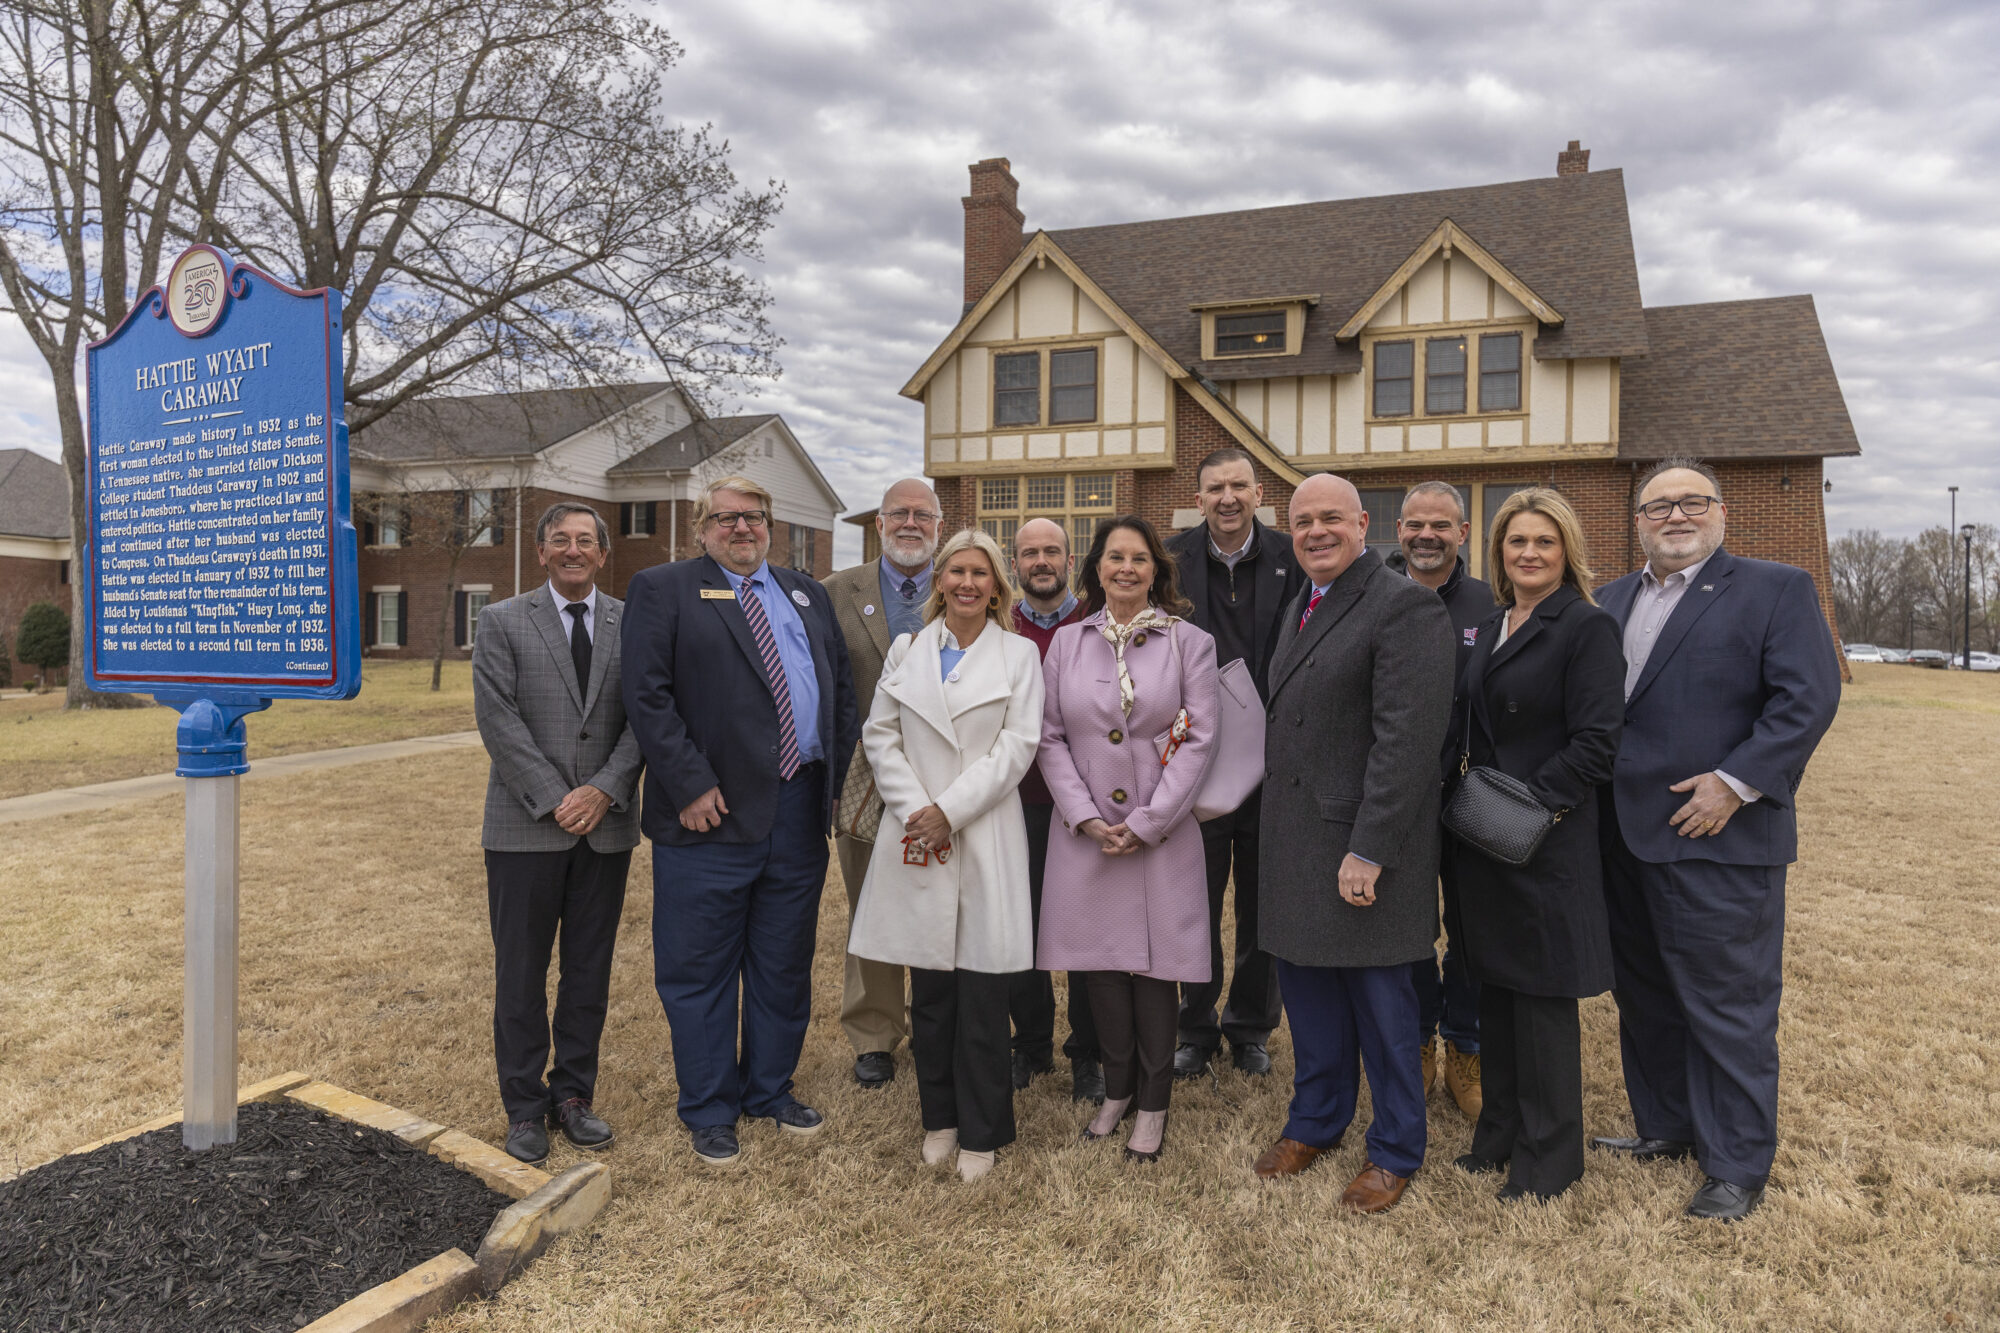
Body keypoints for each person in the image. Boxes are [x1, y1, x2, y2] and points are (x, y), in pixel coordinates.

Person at [1593, 457, 1841, 1221]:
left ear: (1722, 512)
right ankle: (1666, 1125)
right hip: (1622, 837)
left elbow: (1807, 697)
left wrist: (1735, 782)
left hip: (1718, 834)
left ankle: (1735, 1163)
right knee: (1646, 994)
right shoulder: (1610, 599)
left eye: (1692, 501)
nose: (1675, 515)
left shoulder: (1775, 589)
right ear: (1638, 522)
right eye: (1658, 505)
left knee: (1729, 1003)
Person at [620, 475, 859, 1168]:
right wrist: (690, 783)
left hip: (798, 809)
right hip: (709, 814)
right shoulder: (663, 589)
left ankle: (770, 1089)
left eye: (753, 516)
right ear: (702, 528)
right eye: (725, 518)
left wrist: (837, 786)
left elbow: (839, 693)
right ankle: (709, 1107)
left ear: (770, 524)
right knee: (699, 970)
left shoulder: (806, 593)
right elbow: (646, 695)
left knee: (782, 964)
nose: (741, 528)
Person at [1252, 473, 1454, 1213]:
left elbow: (1408, 744)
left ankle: (1395, 1148)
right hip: (1296, 843)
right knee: (1310, 1002)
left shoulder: (1405, 606)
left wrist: (1370, 848)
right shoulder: (1305, 601)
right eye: (1302, 520)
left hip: (1362, 847)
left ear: (1364, 523)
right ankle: (1315, 1120)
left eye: (1331, 518)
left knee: (1384, 1010)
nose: (1316, 532)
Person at [848, 529, 1046, 1182]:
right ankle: (940, 1119)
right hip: (917, 837)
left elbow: (1017, 746)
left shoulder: (1018, 654)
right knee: (932, 994)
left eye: (979, 573)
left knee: (984, 995)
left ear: (997, 587)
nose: (966, 582)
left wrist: (950, 811)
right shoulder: (907, 650)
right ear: (939, 582)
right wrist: (917, 811)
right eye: (956, 571)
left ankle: (983, 1131)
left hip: (983, 832)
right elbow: (880, 734)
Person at [1442, 488, 1623, 1201]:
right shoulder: (1492, 624)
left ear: (1566, 551)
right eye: (1517, 541)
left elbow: (1597, 744)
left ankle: (1549, 1161)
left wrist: (1524, 809)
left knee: (1542, 1005)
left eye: (1544, 541)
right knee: (1496, 994)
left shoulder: (1585, 626)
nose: (1529, 553)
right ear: (1498, 551)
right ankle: (1498, 1137)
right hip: (1485, 839)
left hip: (1544, 839)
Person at [1037, 515, 1219, 1163]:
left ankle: (1154, 1102)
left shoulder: (1190, 643)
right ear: (1096, 568)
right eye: (1114, 557)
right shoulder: (1067, 643)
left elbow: (1200, 738)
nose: (1126, 568)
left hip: (1161, 834)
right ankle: (1116, 1090)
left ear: (1156, 571)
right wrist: (1084, 815)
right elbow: (1049, 736)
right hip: (1086, 834)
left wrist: (1147, 822)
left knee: (1155, 967)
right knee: (1101, 966)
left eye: (1139, 558)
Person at [472, 502, 644, 1164]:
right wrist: (555, 799)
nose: (573, 549)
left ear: (602, 554)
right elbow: (497, 718)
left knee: (587, 972)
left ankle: (573, 1094)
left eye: (585, 540)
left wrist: (604, 789)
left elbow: (647, 713)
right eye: (560, 540)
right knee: (521, 973)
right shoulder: (502, 620)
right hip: (524, 828)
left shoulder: (634, 622)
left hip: (606, 827)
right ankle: (523, 1106)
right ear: (541, 551)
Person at [1164, 447, 1302, 1082]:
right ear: (1198, 499)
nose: (1228, 497)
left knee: (1262, 902)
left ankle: (1250, 1027)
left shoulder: (1292, 558)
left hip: (1275, 761)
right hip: (1195, 759)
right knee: (1194, 900)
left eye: (1239, 486)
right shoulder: (1169, 560)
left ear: (1258, 493)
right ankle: (1194, 1026)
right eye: (1215, 488)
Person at [823, 479, 942, 1087]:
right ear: (879, 523)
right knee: (871, 904)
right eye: (899, 513)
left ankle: (937, 1024)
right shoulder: (834, 593)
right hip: (864, 782)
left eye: (923, 514)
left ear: (939, 525)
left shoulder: (965, 584)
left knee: (943, 902)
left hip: (949, 780)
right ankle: (873, 1034)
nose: (910, 524)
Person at [1397, 480, 1494, 1121]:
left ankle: (1466, 1045)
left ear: (1462, 533)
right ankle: (1417, 1040)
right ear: (1398, 530)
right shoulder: (1373, 596)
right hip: (1397, 798)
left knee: (1470, 927)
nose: (1426, 536)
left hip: (1471, 796)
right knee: (1405, 929)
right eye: (1414, 524)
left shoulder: (1492, 603)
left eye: (1440, 525)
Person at [1006, 517, 1102, 1101]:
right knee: (1021, 928)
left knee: (1085, 930)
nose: (1040, 561)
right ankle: (1031, 1044)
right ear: (1015, 563)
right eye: (1029, 553)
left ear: (1070, 560)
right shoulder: (998, 623)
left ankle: (1088, 1051)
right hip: (1015, 803)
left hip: (1085, 806)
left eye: (1051, 551)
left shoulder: (1095, 621)